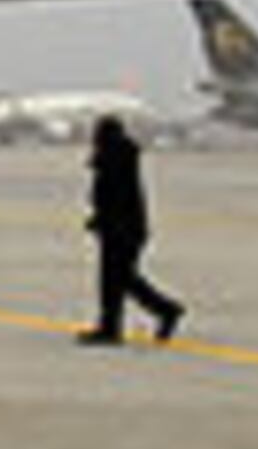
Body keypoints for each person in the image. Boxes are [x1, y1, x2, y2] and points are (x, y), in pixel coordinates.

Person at [79, 117, 185, 347]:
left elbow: (111, 196)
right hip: (124, 228)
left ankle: (164, 311)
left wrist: (100, 219)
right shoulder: (119, 156)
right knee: (120, 280)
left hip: (120, 230)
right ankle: (116, 326)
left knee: (117, 280)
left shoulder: (112, 158)